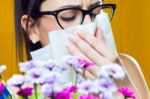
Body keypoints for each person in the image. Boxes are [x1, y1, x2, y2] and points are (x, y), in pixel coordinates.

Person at [14, 0, 150, 98]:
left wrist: (124, 88)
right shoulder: (19, 94)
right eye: (69, 17)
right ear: (31, 29)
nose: (89, 25)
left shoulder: (125, 68)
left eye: (96, 13)